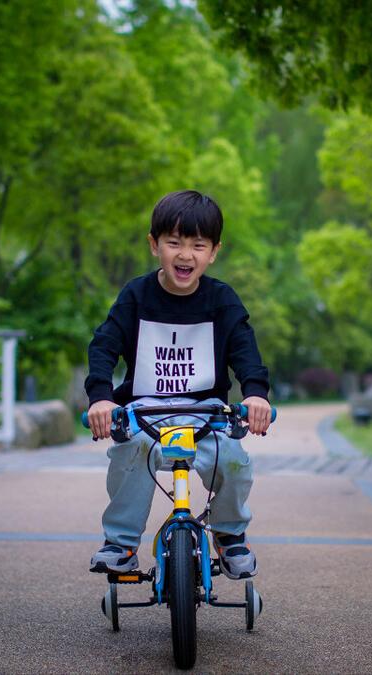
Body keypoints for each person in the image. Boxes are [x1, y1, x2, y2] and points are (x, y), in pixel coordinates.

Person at [85, 189, 272, 580]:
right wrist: (101, 398)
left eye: (198, 245)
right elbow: (104, 346)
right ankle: (120, 543)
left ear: (214, 252)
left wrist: (255, 394)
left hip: (207, 415)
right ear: (155, 245)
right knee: (130, 453)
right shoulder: (136, 296)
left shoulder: (222, 300)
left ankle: (230, 534)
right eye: (174, 243)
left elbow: (245, 352)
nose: (185, 255)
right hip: (146, 414)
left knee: (234, 461)